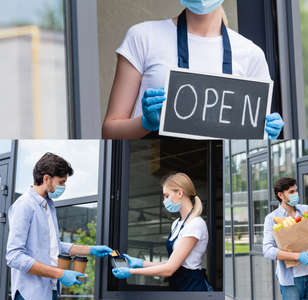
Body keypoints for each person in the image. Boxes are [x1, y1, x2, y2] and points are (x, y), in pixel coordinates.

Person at [102, 0, 284, 139]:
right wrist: (145, 123)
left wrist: (266, 138)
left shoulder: (252, 55)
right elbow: (109, 131)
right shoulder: (142, 37)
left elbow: (250, 137)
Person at [6, 153, 113, 300]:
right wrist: (60, 273)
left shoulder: (49, 205)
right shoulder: (24, 205)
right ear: (46, 178)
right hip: (30, 294)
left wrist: (91, 250)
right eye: (61, 182)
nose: (64, 186)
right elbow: (14, 256)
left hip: (51, 289)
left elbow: (53, 245)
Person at [111, 173, 211, 291]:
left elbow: (170, 269)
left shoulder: (195, 224)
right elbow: (171, 264)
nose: (164, 201)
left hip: (193, 289)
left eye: (166, 196)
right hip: (179, 288)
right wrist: (139, 262)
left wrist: (132, 271)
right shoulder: (176, 224)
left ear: (180, 193)